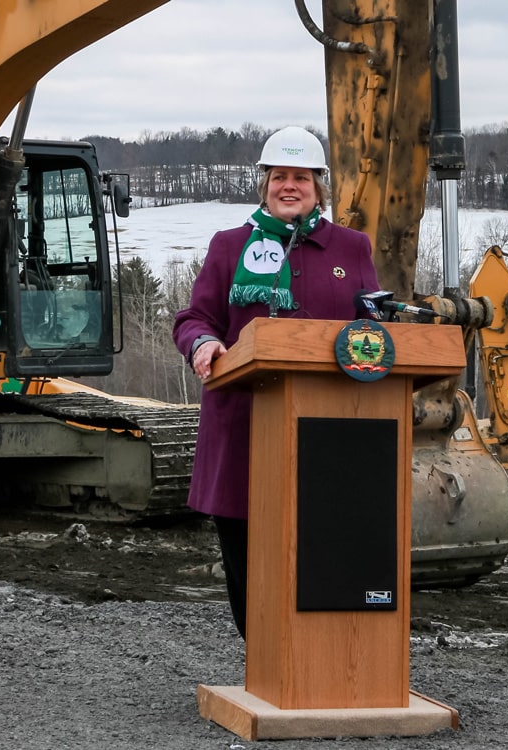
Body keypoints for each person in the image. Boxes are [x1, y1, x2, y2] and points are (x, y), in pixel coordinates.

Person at [171, 127, 379, 637]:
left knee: (325, 558)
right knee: (250, 557)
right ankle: (262, 661)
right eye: (279, 177)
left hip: (333, 435)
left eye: (301, 178)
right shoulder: (229, 247)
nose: (290, 186)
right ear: (264, 183)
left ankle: (325, 664)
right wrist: (203, 344)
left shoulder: (351, 248)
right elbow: (194, 318)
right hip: (244, 432)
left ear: (318, 187)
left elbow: (375, 326)